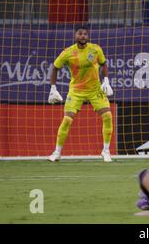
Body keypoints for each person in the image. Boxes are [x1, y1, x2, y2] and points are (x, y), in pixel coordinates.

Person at [47, 27, 114, 162]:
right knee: (67, 120)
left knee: (107, 116)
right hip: (76, 91)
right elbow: (55, 67)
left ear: (87, 36)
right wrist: (53, 89)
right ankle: (57, 152)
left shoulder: (95, 49)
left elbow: (103, 64)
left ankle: (106, 151)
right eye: (80, 34)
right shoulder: (68, 52)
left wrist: (106, 81)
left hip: (95, 90)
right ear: (75, 36)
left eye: (85, 34)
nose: (83, 36)